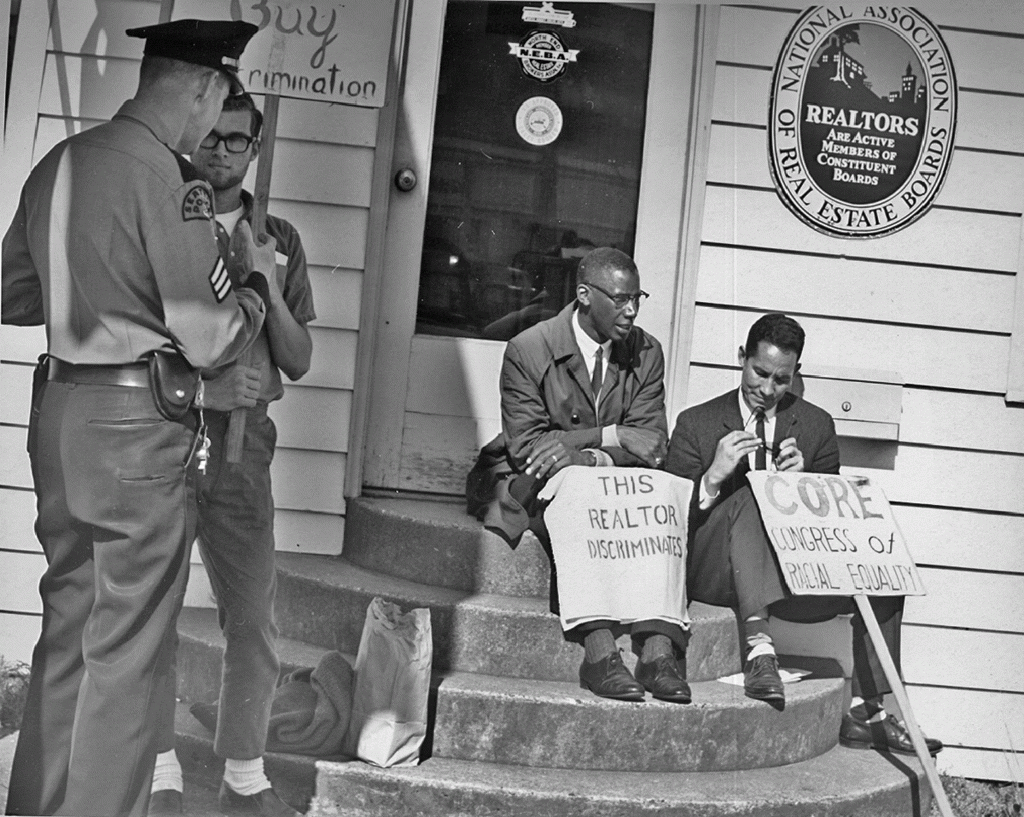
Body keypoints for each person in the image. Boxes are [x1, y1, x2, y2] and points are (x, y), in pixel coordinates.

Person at [1, 19, 273, 817]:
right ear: (201, 87)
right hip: (137, 430)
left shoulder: (63, 160)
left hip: (60, 413)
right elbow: (212, 335)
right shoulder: (173, 182)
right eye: (217, 101)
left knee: (66, 638)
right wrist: (252, 295)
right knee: (125, 655)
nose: (211, 125)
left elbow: (13, 294)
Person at [664, 312, 943, 754]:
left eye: (782, 379)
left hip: (790, 580)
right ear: (742, 358)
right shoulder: (696, 422)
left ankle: (869, 712)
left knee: (885, 580)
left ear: (795, 375)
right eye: (759, 373)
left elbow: (828, 530)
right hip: (716, 575)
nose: (768, 389)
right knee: (750, 495)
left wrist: (804, 485)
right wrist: (713, 478)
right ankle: (759, 653)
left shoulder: (815, 426)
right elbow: (669, 522)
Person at [147, 92, 315, 817]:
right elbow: (137, 334)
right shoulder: (164, 216)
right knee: (153, 608)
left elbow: (300, 358)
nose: (221, 151)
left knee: (251, 616)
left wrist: (268, 283)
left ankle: (244, 775)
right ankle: (159, 770)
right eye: (211, 137)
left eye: (237, 141)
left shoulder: (275, 232)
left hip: (245, 452)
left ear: (255, 149)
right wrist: (210, 386)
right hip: (164, 439)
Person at [479, 247, 691, 705]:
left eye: (638, 297)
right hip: (537, 477)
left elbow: (652, 442)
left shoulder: (646, 350)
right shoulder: (529, 348)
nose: (631, 310)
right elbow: (528, 447)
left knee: (665, 490)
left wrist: (592, 457)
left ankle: (657, 651)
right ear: (583, 296)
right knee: (578, 492)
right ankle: (599, 654)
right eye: (619, 298)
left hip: (601, 473)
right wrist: (613, 435)